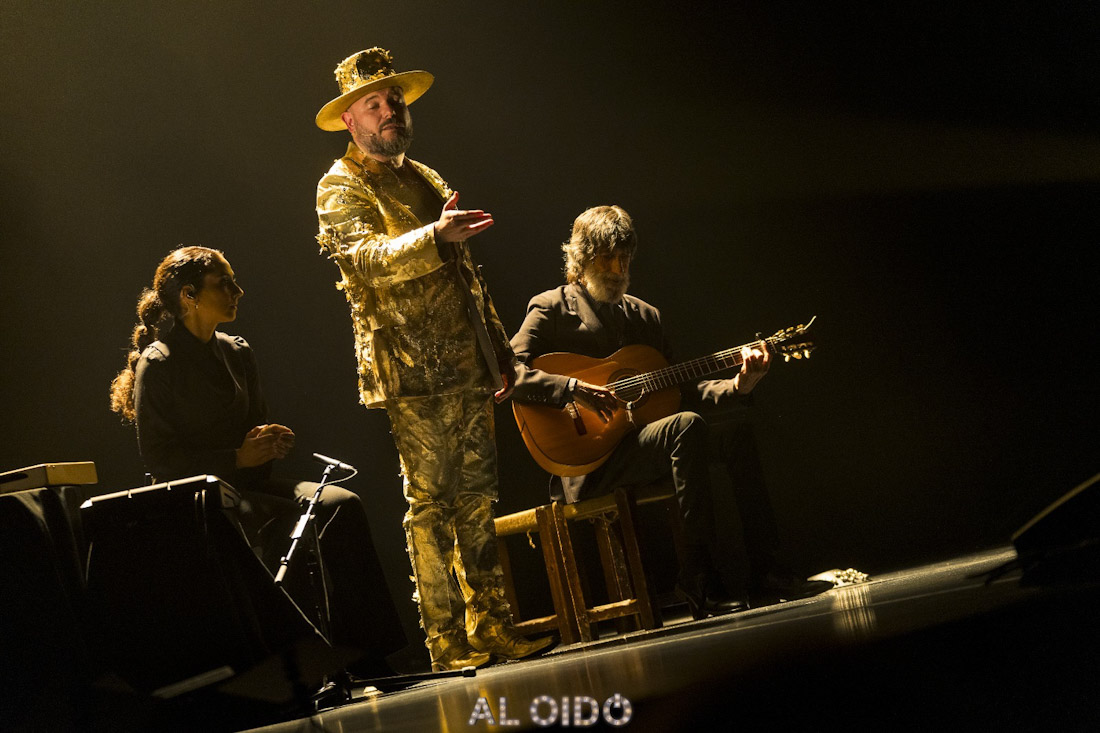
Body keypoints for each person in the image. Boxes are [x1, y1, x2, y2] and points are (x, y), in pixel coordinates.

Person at [313, 48, 552, 671]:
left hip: (464, 362)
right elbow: (362, 259)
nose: (390, 111)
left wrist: (498, 351)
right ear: (349, 121)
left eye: (394, 101)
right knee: (430, 501)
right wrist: (431, 236)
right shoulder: (340, 185)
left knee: (478, 496)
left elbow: (468, 275)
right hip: (409, 366)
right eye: (375, 104)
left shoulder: (422, 176)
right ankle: (445, 642)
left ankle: (492, 628)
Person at [510, 206, 833, 617]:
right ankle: (700, 579)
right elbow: (511, 373)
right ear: (582, 257)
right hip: (590, 458)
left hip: (642, 444)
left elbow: (679, 387)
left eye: (624, 257)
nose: (617, 267)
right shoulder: (551, 308)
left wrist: (737, 384)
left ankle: (771, 571)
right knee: (686, 427)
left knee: (736, 431)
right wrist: (573, 388)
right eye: (607, 257)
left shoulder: (646, 316)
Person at [109, 245, 405, 677]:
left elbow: (254, 427)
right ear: (189, 295)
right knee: (275, 522)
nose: (238, 291)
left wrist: (266, 443)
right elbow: (160, 460)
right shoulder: (159, 363)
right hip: (196, 500)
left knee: (340, 505)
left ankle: (368, 656)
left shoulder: (236, 351)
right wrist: (235, 457)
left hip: (245, 483)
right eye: (224, 284)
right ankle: (304, 665)